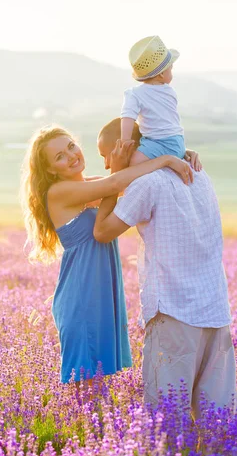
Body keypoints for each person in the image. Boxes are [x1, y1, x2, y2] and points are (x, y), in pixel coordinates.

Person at [21, 125, 192, 390]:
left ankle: (93, 430)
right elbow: (116, 183)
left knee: (97, 383)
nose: (71, 155)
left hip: (98, 293)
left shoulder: (90, 185)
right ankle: (83, 431)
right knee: (86, 388)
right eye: (60, 157)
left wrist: (181, 154)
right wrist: (168, 160)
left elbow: (128, 179)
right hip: (81, 295)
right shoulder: (59, 193)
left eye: (70, 146)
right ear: (51, 171)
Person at [95, 118, 237, 419]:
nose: (106, 164)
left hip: (173, 313)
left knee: (167, 424)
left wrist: (117, 176)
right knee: (218, 423)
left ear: (125, 147)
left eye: (107, 154)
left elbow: (103, 231)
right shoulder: (199, 173)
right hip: (215, 311)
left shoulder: (147, 184)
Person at [121, 35, 186, 167]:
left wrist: (125, 142)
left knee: (133, 164)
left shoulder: (134, 94)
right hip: (178, 143)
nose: (172, 72)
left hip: (158, 143)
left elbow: (127, 117)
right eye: (171, 69)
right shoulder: (170, 91)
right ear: (161, 74)